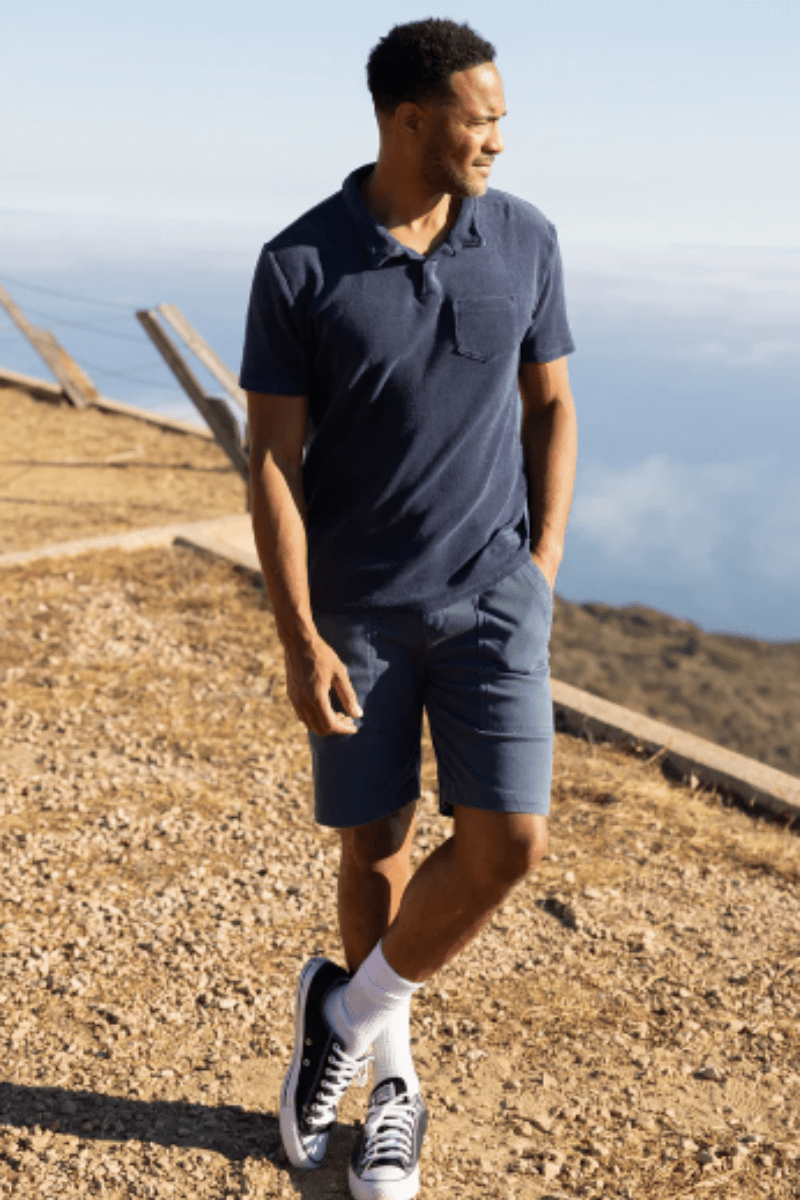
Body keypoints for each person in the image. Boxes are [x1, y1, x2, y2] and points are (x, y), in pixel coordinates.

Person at [241, 18, 577, 1200]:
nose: (497, 140)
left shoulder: (524, 238)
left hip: (493, 598)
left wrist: (541, 563)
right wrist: (298, 636)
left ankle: (340, 1013)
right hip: (358, 615)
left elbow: (550, 407)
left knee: (508, 844)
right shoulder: (299, 264)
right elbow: (270, 460)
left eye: (500, 122)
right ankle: (393, 1089)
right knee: (375, 845)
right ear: (409, 120)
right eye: (480, 120)